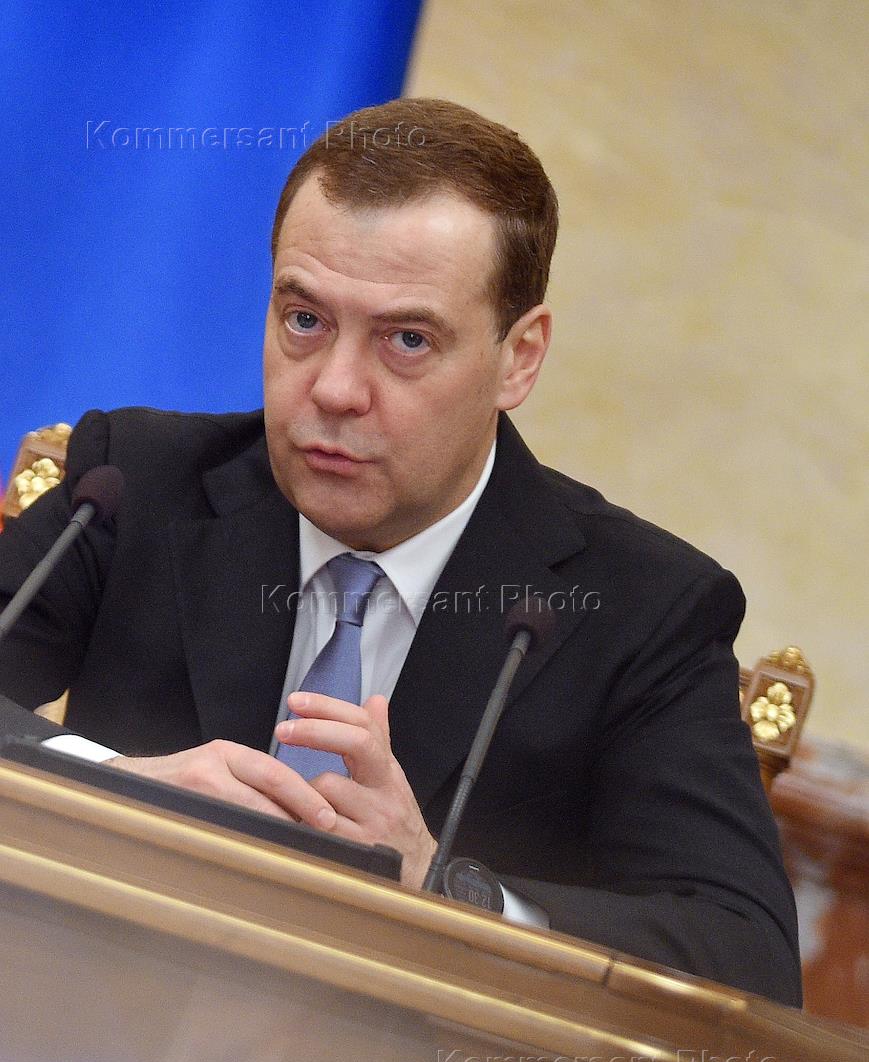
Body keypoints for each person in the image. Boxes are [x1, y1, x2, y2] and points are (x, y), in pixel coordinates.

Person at [0, 98, 801, 1004]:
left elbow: (744, 957)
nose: (335, 390)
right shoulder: (132, 485)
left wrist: (441, 886)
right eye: (304, 320)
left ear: (518, 358)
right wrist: (123, 786)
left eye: (407, 340)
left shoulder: (639, 610)